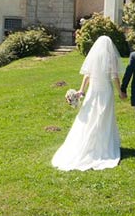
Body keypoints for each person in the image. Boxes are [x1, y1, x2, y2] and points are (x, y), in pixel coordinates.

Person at [51, 35, 124, 172]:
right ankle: (102, 145)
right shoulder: (111, 58)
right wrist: (120, 92)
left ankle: (90, 142)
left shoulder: (94, 57)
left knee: (90, 116)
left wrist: (81, 90)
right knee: (103, 117)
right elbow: (114, 76)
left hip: (93, 91)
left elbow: (87, 75)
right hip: (105, 91)